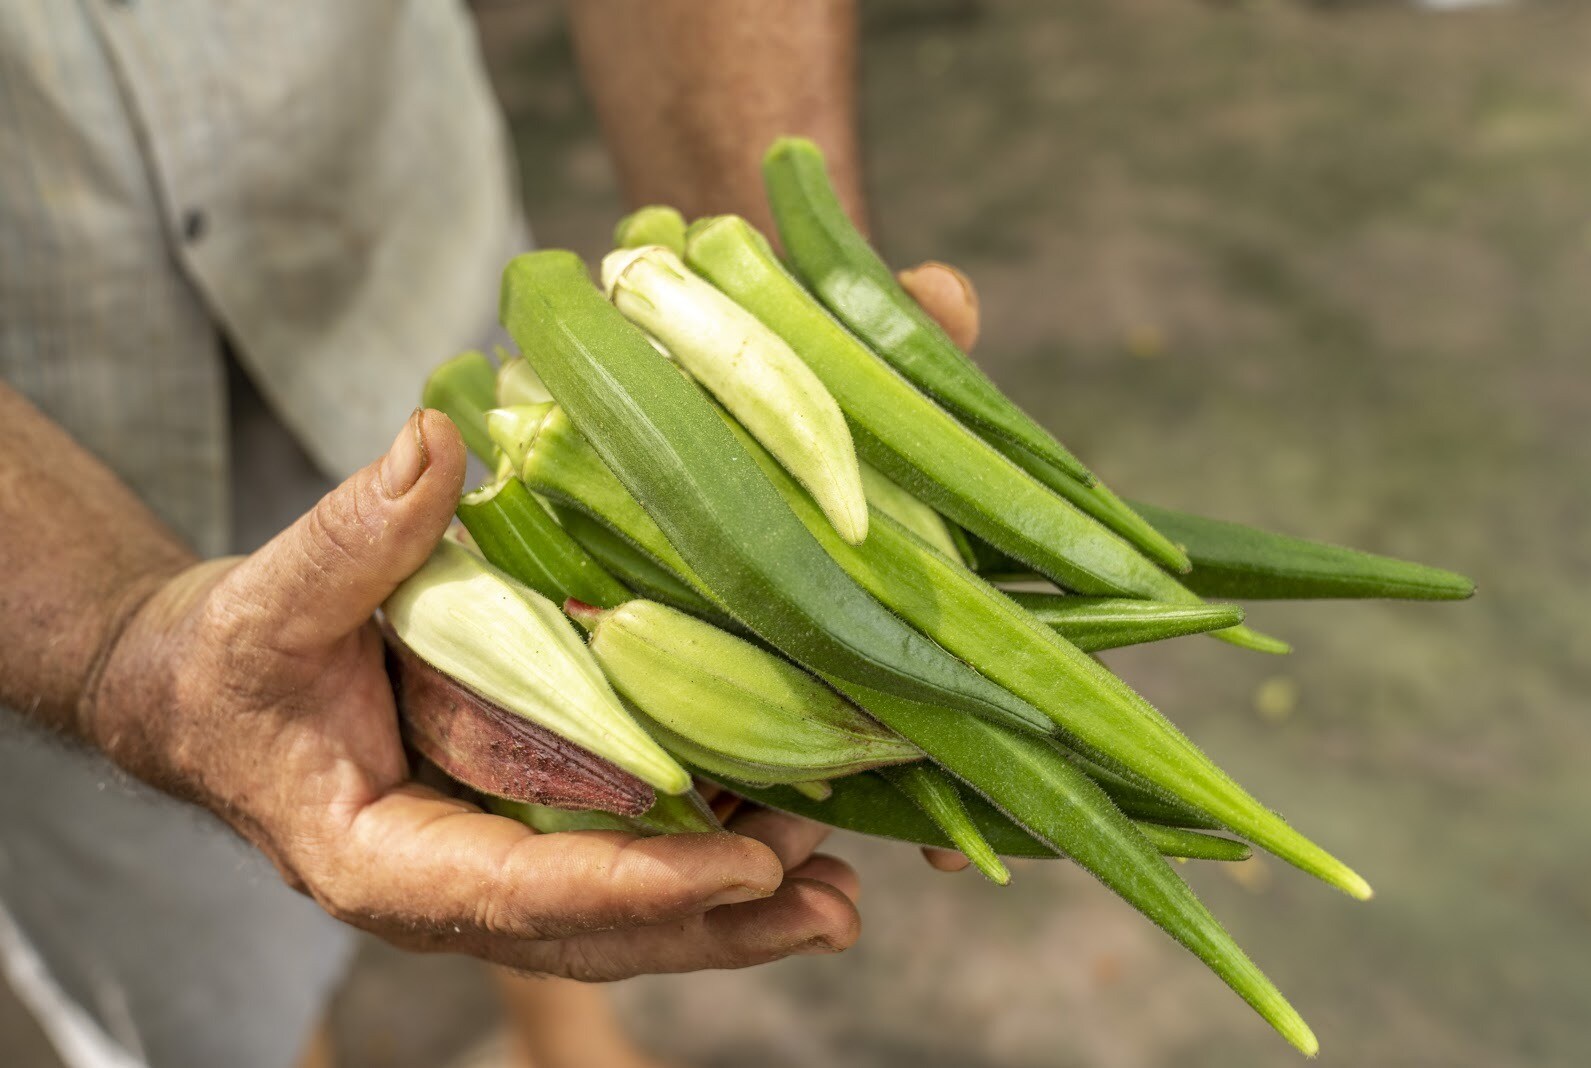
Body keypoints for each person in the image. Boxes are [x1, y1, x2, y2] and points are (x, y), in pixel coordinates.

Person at [0, 3, 980, 1066]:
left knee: (545, 823)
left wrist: (768, 312)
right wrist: (109, 656)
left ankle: (563, 1037)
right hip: (40, 493)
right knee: (198, 976)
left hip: (392, 225)